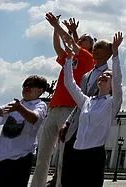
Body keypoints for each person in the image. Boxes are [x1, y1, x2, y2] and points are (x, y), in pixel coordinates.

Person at [32, 13, 95, 187]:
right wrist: (55, 30)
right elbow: (59, 48)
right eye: (81, 38)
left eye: (86, 39)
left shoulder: (89, 60)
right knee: (43, 154)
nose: (82, 39)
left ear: (91, 47)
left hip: (69, 110)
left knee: (63, 155)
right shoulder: (71, 59)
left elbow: (73, 45)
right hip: (54, 107)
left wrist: (58, 26)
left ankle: (60, 184)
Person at [60, 31, 123, 187]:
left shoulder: (112, 103)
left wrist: (115, 54)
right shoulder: (87, 101)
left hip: (94, 155)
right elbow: (70, 84)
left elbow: (118, 79)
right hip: (76, 151)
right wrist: (68, 60)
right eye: (102, 76)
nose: (103, 77)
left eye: (107, 77)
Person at [0, 76, 49, 187]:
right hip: (1, 156)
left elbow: (34, 118)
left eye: (31, 85)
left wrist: (19, 108)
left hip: (21, 158)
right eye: (25, 85)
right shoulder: (14, 103)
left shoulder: (40, 105)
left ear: (40, 90)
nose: (27, 87)